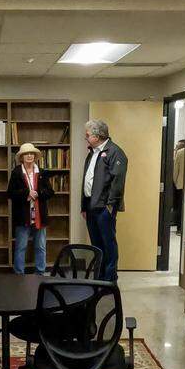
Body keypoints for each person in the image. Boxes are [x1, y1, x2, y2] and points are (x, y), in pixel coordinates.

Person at [82, 119, 127, 282]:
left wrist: (110, 205)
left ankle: (109, 279)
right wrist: (83, 206)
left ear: (98, 135)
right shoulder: (92, 153)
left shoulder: (115, 152)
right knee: (96, 244)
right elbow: (86, 180)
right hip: (90, 205)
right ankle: (99, 276)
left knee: (108, 243)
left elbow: (118, 182)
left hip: (104, 207)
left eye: (87, 135)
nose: (85, 138)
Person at [7, 143, 54, 275]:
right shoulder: (16, 172)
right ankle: (19, 274)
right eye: (26, 154)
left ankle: (40, 273)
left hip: (40, 216)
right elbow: (10, 193)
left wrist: (38, 192)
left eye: (31, 154)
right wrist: (26, 193)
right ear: (21, 157)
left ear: (35, 156)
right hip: (23, 216)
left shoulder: (42, 172)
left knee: (40, 247)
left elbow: (50, 192)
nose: (29, 156)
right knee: (21, 247)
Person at [171, 139, 185, 232]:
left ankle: (179, 228)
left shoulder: (180, 153)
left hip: (179, 185)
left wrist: (175, 183)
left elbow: (175, 170)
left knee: (179, 206)